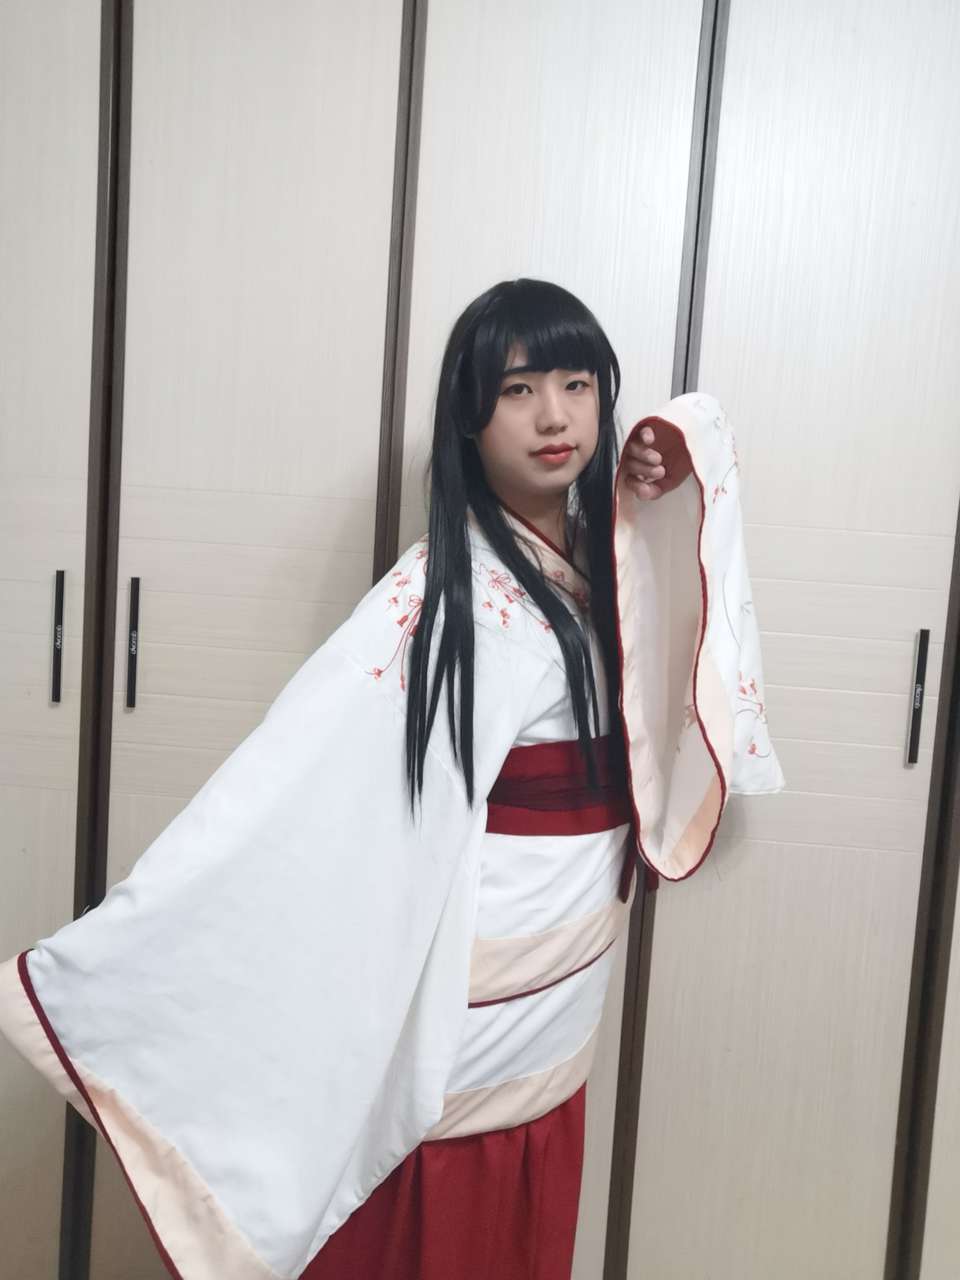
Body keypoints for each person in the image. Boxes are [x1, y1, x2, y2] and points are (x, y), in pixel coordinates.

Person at [0, 278, 784, 1280]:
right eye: (518, 390)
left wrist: (653, 491)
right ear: (469, 418)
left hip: (557, 999)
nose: (554, 416)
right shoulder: (442, 599)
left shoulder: (598, 557)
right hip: (474, 1015)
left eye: (577, 385)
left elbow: (667, 655)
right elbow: (289, 788)